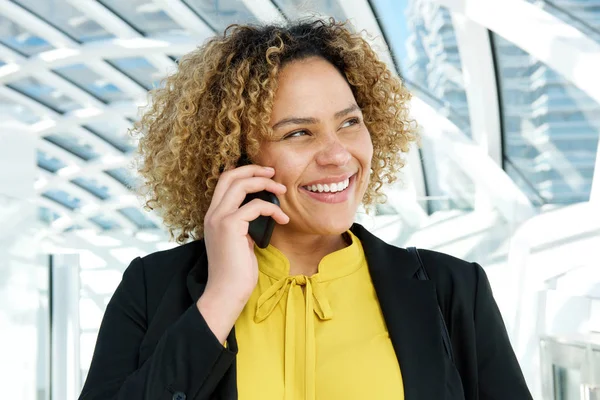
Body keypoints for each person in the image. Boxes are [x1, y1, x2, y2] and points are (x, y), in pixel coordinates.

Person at [79, 18, 532, 400]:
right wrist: (220, 300)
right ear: (234, 157)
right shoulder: (152, 288)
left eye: (350, 122)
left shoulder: (453, 290)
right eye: (299, 133)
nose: (338, 155)